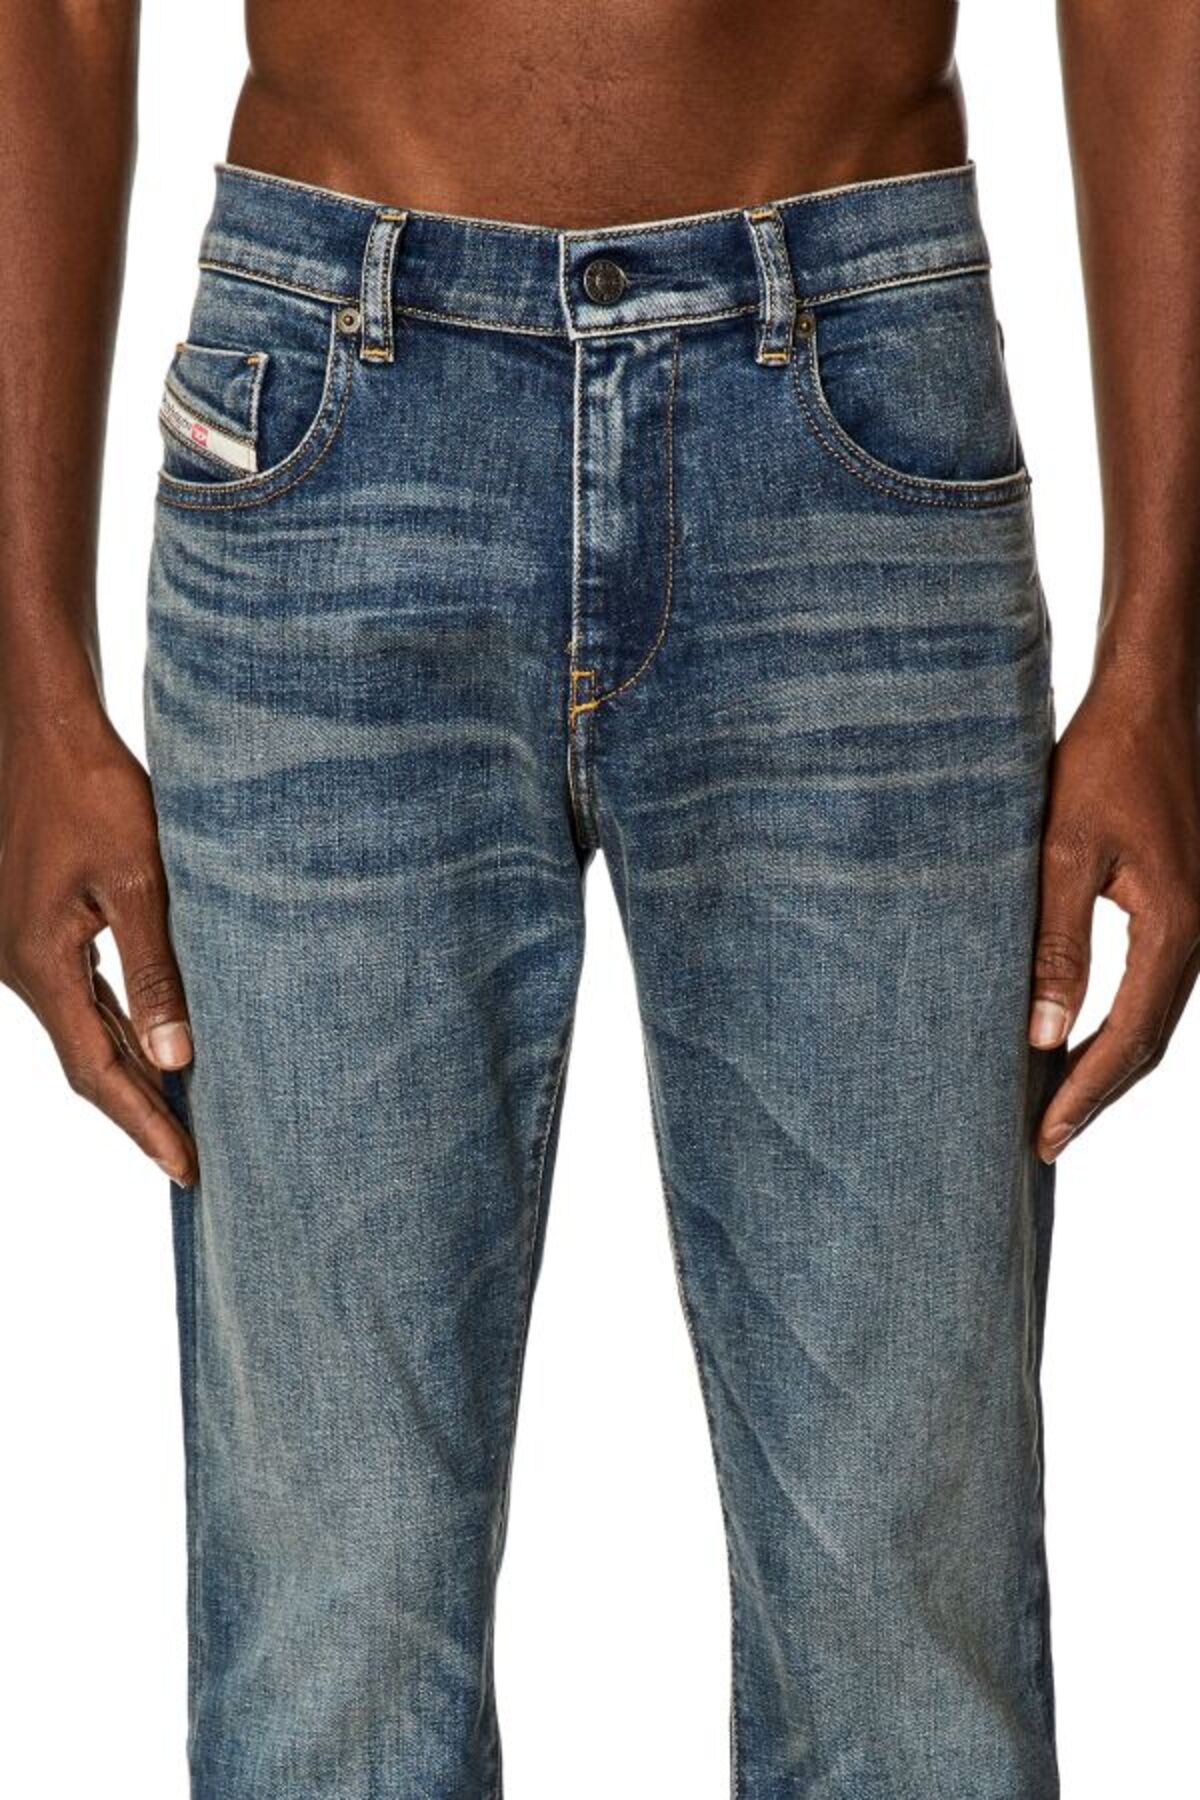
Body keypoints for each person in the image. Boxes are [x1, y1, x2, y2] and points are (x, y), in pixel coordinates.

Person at [1, 2, 1197, 1795]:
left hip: (852, 417)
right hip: (333, 423)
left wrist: (1159, 667)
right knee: (334, 1633)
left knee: (902, 1631)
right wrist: (30, 688)